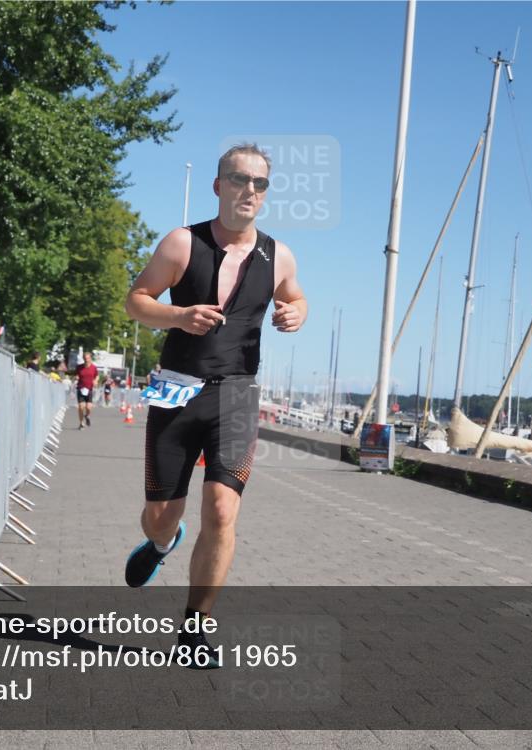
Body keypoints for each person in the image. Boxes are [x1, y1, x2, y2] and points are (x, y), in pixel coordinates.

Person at [122, 143, 307, 667]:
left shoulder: (279, 255)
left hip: (239, 395)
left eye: (260, 183)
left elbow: (296, 296)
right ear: (218, 185)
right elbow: (136, 300)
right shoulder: (182, 243)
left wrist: (296, 314)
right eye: (239, 179)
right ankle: (161, 544)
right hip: (176, 389)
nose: (250, 190)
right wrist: (178, 317)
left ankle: (195, 631)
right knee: (161, 515)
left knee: (223, 510)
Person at [75, 351, 99, 428]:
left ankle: (87, 416)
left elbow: (97, 376)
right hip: (81, 388)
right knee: (81, 407)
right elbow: (76, 374)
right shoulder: (79, 367)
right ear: (83, 359)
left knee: (88, 407)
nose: (86, 360)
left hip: (89, 389)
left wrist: (96, 381)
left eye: (88, 358)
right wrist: (76, 377)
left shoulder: (94, 368)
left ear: (90, 358)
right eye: (85, 358)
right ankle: (81, 423)